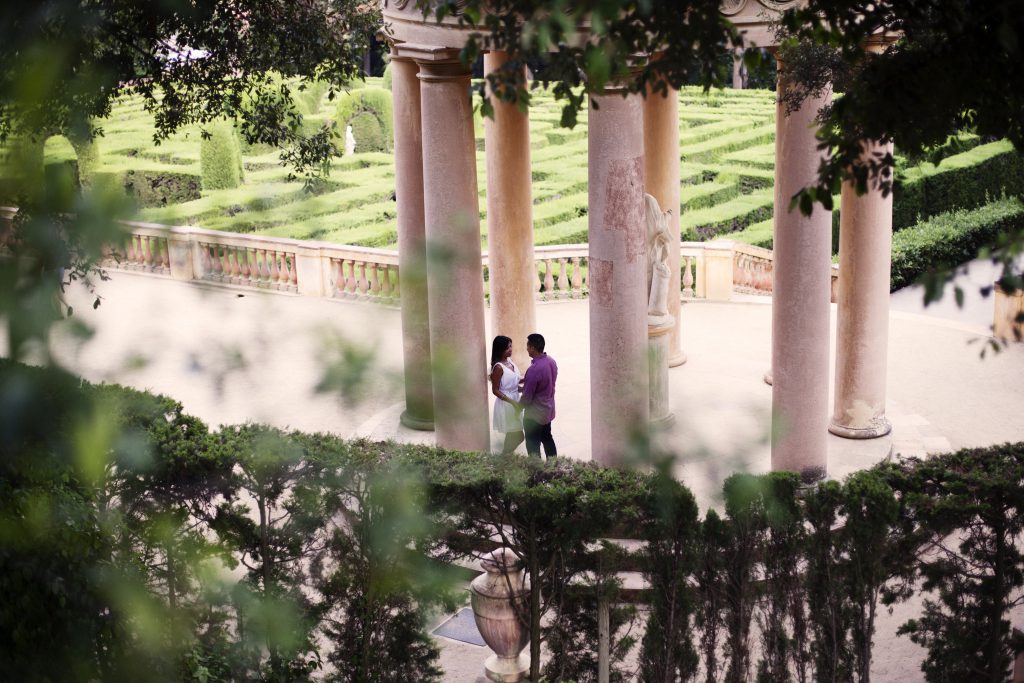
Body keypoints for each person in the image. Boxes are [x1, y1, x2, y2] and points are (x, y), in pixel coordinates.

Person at [519, 332, 557, 459]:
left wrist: (517, 407)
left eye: (528, 346)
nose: (527, 348)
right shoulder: (551, 361)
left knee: (533, 445)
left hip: (534, 416)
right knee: (547, 439)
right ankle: (554, 467)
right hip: (547, 411)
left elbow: (527, 397)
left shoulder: (534, 369)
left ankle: (537, 471)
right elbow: (547, 382)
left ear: (533, 348)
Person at [489, 335, 525, 455]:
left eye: (511, 346)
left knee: (513, 433)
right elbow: (495, 390)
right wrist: (512, 402)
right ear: (500, 349)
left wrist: (527, 383)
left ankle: (505, 457)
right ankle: (504, 456)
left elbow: (515, 380)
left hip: (515, 399)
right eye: (507, 348)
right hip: (506, 404)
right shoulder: (498, 367)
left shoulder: (509, 361)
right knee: (519, 435)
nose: (510, 349)